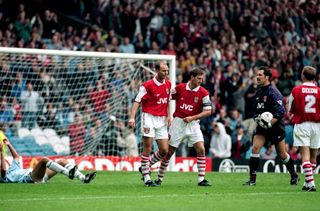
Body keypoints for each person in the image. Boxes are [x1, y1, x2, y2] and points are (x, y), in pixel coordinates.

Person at [155, 67, 213, 186]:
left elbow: (208, 111)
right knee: (169, 152)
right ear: (192, 77)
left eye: (202, 78)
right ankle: (159, 178)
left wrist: (192, 118)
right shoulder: (180, 88)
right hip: (178, 123)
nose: (200, 81)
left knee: (201, 149)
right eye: (198, 78)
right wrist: (166, 114)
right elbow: (166, 98)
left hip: (193, 123)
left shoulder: (204, 93)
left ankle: (201, 180)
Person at [243, 66, 299, 186]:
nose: (257, 77)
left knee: (282, 155)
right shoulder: (258, 92)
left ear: (267, 77)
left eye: (260, 75)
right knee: (255, 148)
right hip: (262, 127)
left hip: (275, 127)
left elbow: (280, 111)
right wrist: (257, 119)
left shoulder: (274, 92)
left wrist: (270, 122)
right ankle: (252, 179)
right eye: (257, 75)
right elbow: (255, 111)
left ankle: (294, 175)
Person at [128, 61, 171, 186]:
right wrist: (132, 117)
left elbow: (167, 102)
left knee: (164, 150)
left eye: (167, 70)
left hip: (162, 119)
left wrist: (168, 115)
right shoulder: (148, 85)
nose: (166, 73)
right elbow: (137, 101)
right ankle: (147, 178)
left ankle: (145, 167)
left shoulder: (168, 84)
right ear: (157, 71)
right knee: (148, 147)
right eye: (163, 70)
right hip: (149, 118)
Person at [0, 129, 96, 184]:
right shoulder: (4, 177)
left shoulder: (12, 170)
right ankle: (68, 173)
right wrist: (1, 152)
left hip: (39, 176)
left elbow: (16, 157)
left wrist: (8, 144)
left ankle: (84, 179)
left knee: (62, 161)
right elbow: (3, 170)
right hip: (32, 178)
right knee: (44, 160)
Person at [287, 66, 320, 192]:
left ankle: (311, 184)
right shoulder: (319, 91)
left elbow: (290, 108)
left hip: (302, 124)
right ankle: (307, 183)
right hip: (317, 125)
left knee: (305, 156)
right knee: (313, 157)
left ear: (303, 76)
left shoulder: (296, 90)